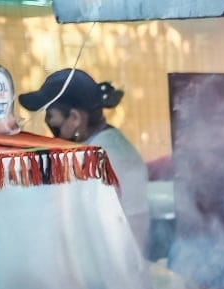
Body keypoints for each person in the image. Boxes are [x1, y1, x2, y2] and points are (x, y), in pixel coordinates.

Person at [20, 68, 150, 257]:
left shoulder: (94, 159)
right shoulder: (110, 142)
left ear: (74, 118)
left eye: (50, 116)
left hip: (106, 278)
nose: (48, 124)